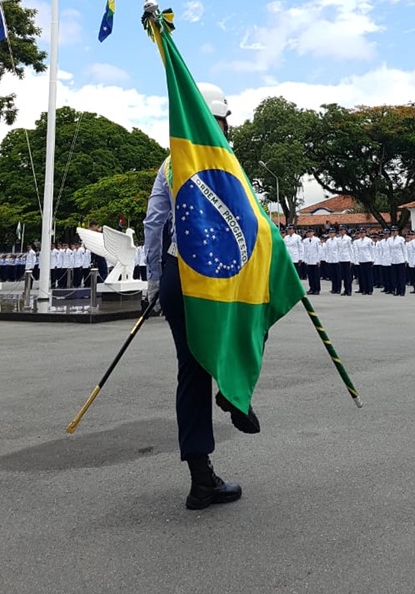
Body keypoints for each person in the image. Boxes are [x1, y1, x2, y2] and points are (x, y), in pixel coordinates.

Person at [144, 82, 249, 511]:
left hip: (176, 275)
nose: (224, 127)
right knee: (252, 324)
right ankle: (234, 391)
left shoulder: (170, 163)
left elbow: (154, 223)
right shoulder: (227, 161)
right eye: (222, 119)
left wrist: (155, 280)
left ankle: (201, 479)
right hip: (216, 277)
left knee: (191, 372)